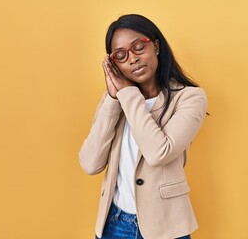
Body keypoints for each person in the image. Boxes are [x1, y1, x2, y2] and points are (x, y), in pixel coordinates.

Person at [79, 14, 207, 239]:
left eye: (138, 47)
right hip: (114, 224)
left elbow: (159, 153)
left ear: (156, 46)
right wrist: (113, 99)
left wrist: (127, 95)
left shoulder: (190, 98)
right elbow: (90, 163)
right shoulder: (116, 100)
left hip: (166, 227)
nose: (132, 59)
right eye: (121, 55)